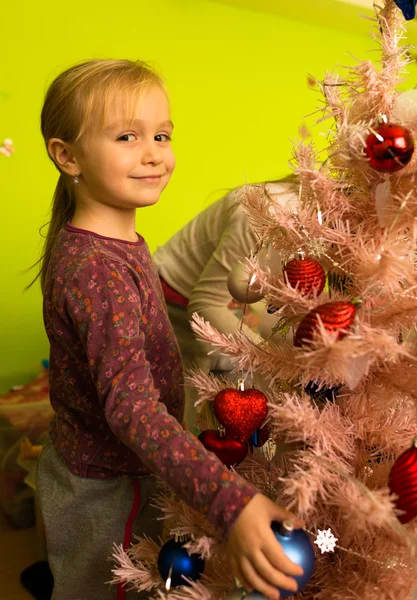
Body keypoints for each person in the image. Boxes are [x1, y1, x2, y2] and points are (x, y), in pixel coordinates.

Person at [31, 59, 303, 600]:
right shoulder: (94, 269)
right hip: (106, 488)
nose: (154, 153)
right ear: (67, 156)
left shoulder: (116, 243)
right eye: (127, 136)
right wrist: (233, 502)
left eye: (161, 135)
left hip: (124, 473)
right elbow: (130, 407)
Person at [153, 180, 298, 429]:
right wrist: (271, 363)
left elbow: (246, 307)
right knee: (185, 422)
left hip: (236, 305)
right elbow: (207, 303)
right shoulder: (268, 214)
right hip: (172, 305)